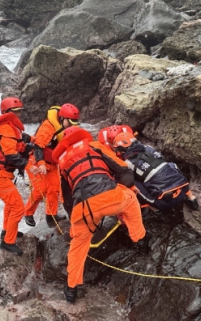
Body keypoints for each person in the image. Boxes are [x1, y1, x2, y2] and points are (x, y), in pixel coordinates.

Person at [52, 126, 146, 304]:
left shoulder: (62, 164)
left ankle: (71, 288)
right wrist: (125, 185)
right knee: (131, 201)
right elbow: (122, 168)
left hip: (83, 208)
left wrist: (76, 222)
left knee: (78, 247)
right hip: (111, 197)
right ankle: (139, 239)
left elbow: (65, 198)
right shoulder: (94, 145)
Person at [0, 97, 31, 256]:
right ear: (6, 112)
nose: (18, 114)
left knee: (11, 204)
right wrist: (28, 165)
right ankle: (8, 242)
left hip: (1, 173)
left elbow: (20, 143)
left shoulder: (10, 128)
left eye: (19, 111)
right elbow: (11, 155)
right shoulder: (5, 129)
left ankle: (7, 230)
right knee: (18, 207)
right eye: (15, 112)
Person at [112, 131, 199, 212]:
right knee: (170, 165)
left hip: (164, 203)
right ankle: (191, 197)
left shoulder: (128, 163)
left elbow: (123, 179)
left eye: (118, 150)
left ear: (122, 149)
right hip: (182, 190)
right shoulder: (149, 148)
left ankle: (153, 208)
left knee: (132, 184)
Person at [24, 104, 79, 229]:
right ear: (62, 118)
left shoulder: (61, 126)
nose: (70, 125)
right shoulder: (48, 128)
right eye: (69, 122)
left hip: (51, 161)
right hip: (36, 160)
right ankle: (28, 213)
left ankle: (51, 216)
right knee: (41, 189)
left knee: (54, 189)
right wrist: (41, 163)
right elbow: (38, 146)